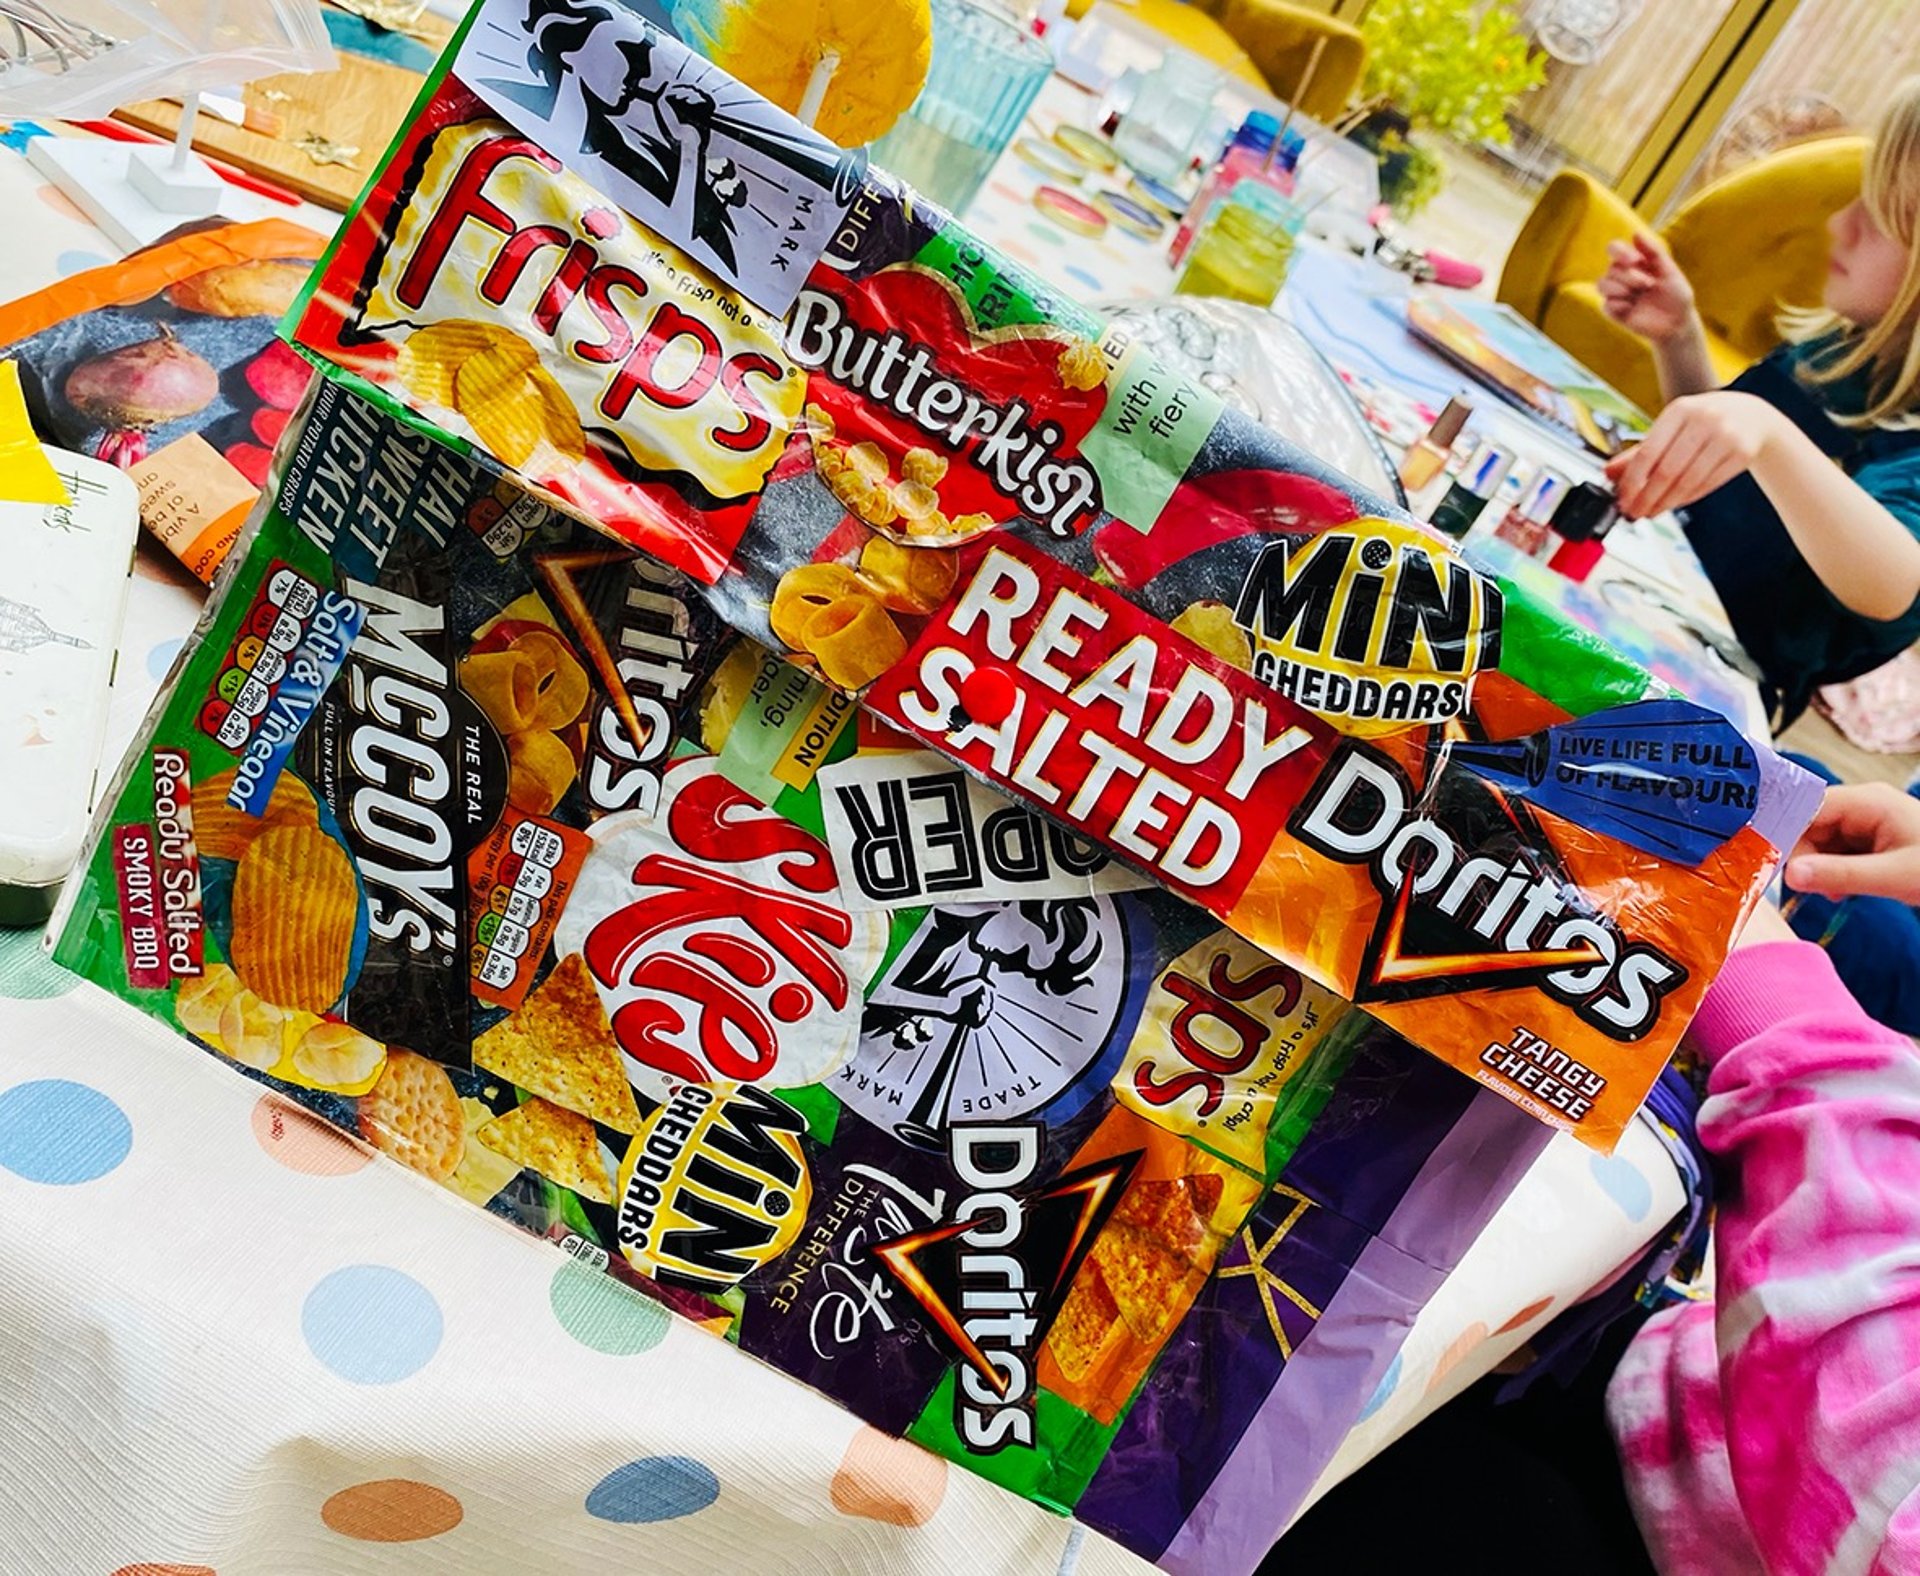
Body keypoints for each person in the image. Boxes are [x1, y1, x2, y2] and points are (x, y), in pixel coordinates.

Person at [1598, 79, 1920, 726]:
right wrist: (1678, 338)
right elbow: (1732, 472)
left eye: (1881, 216)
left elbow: (1896, 582)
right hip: (1642, 594)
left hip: (1690, 704)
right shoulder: (1841, 352)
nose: (1839, 225)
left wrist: (1768, 433)